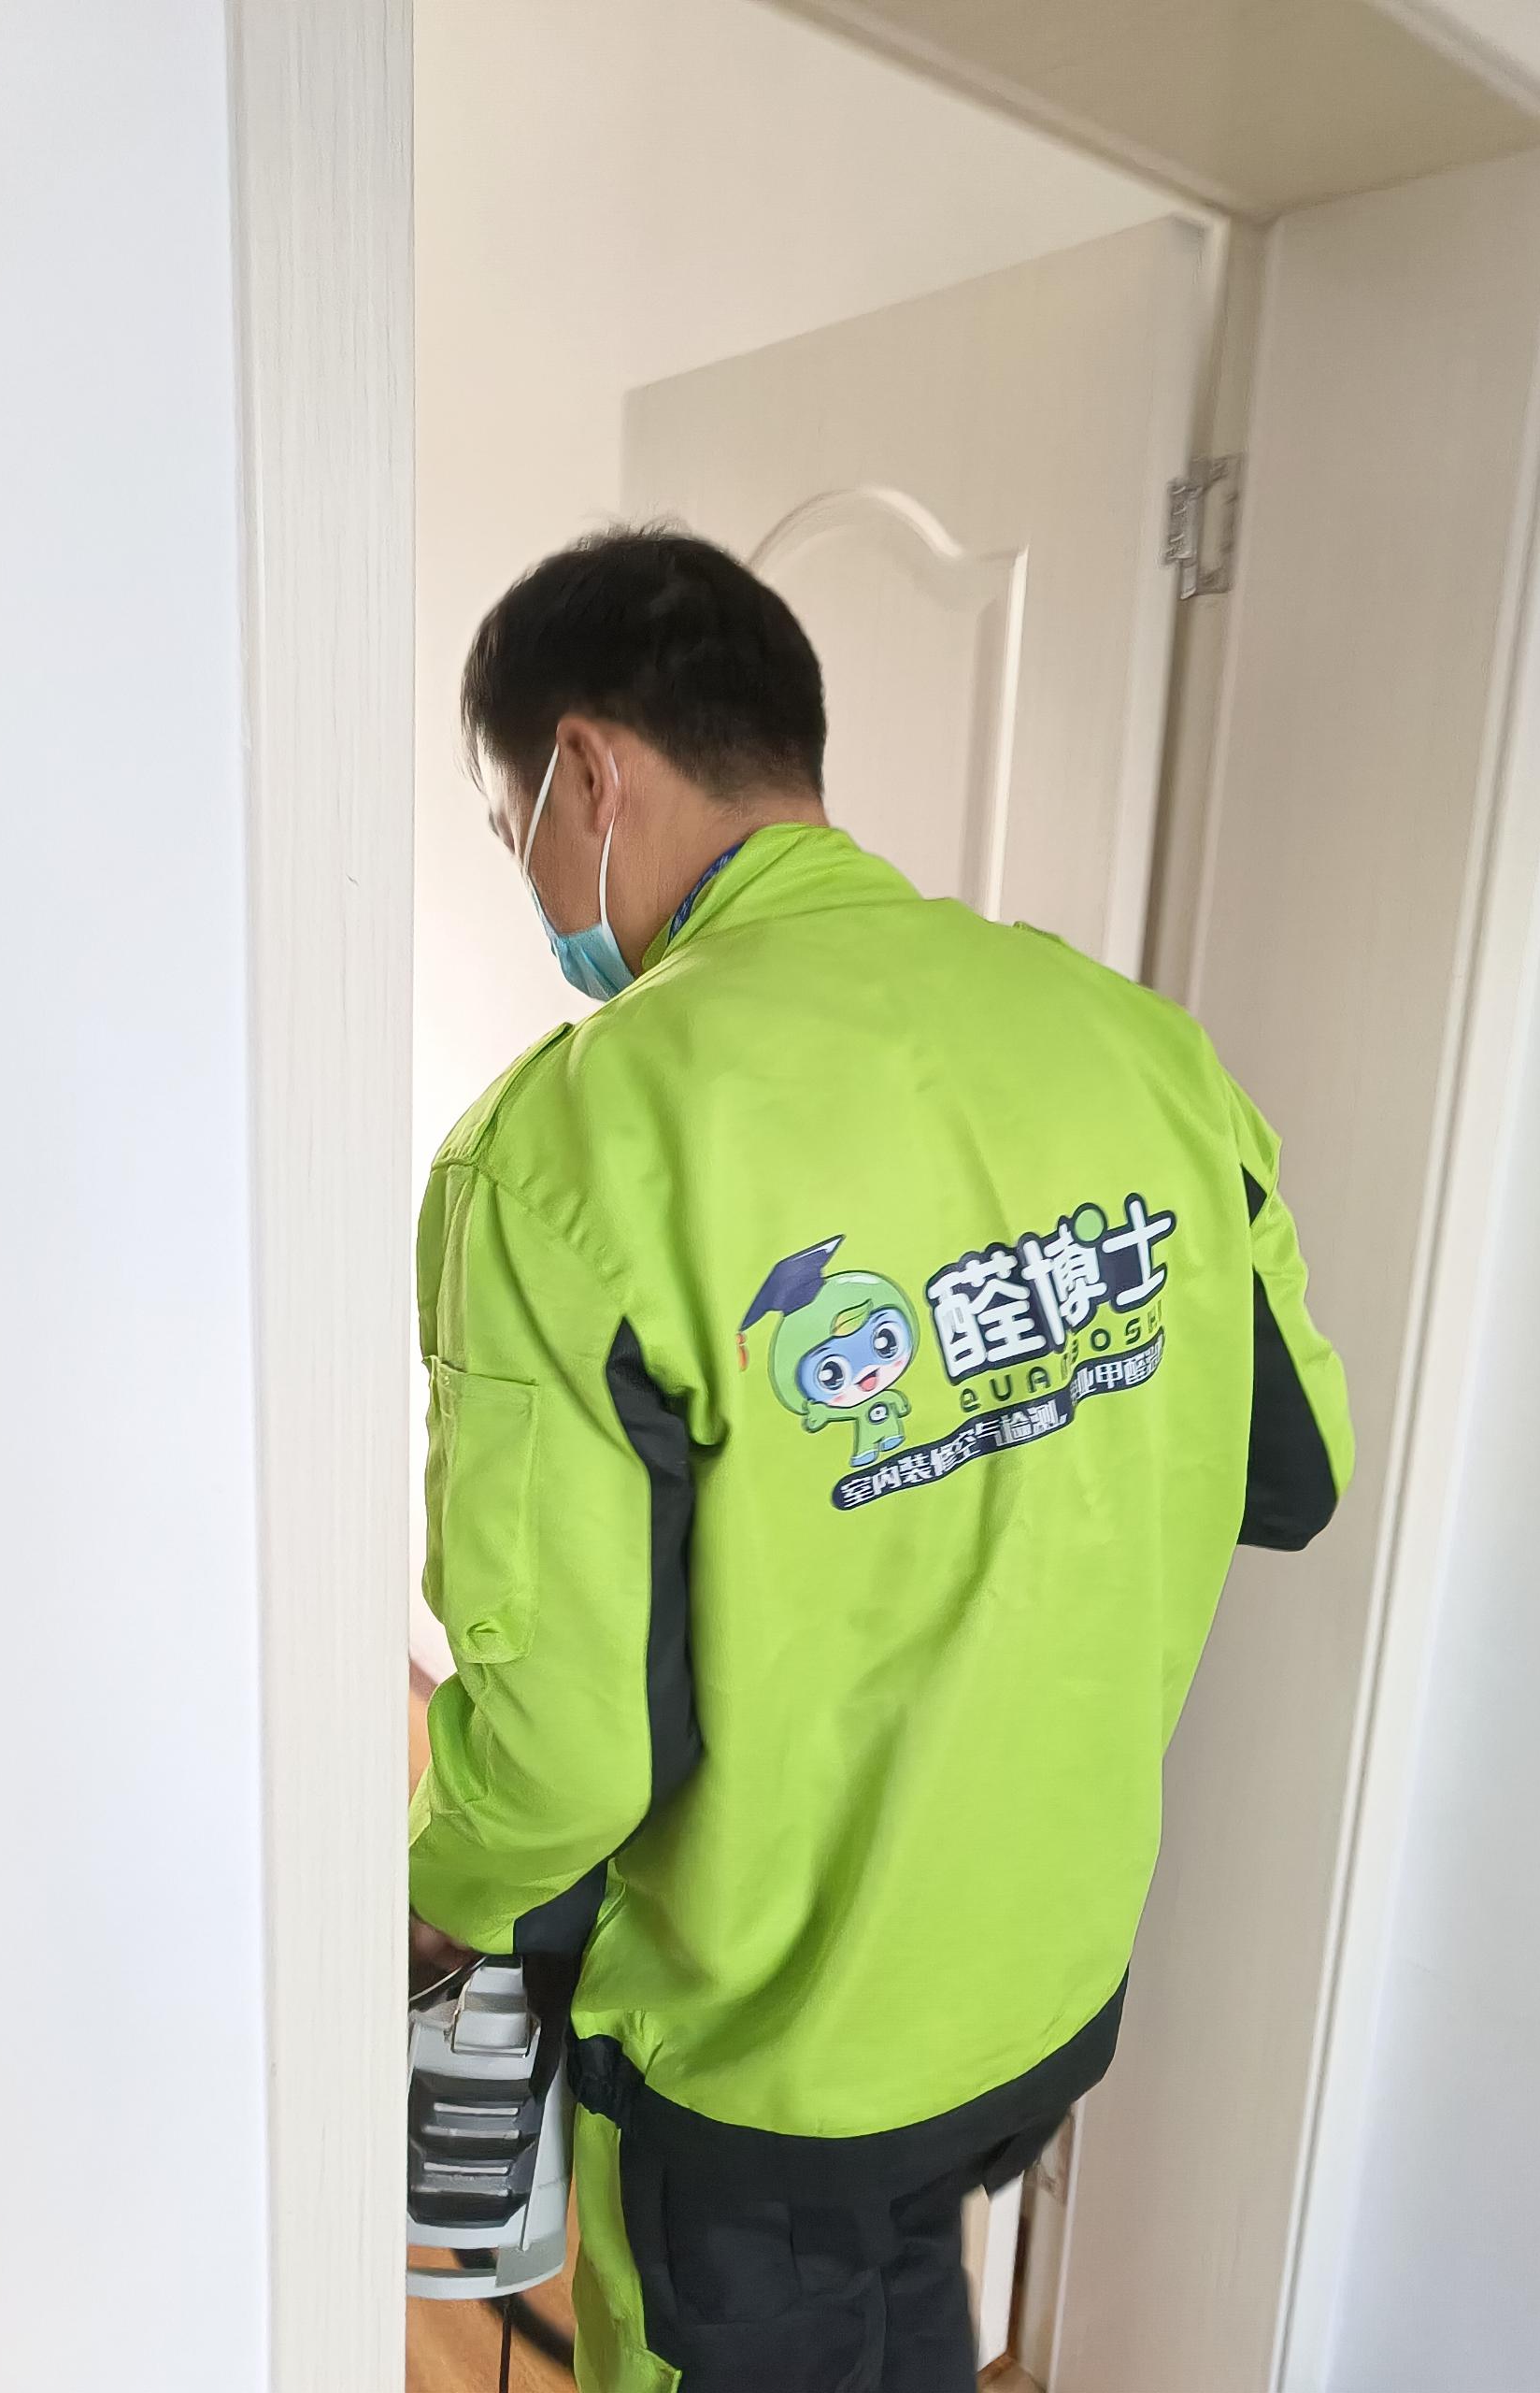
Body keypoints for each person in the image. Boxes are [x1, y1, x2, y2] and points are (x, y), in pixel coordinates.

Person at [407, 527, 1352, 2393]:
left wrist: (436, 1905)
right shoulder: (1132, 1043)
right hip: (1034, 1981)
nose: (538, 889)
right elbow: (1288, 1465)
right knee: (912, 2297)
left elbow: (568, 1749)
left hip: (768, 2051)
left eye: (515, 832)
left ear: (587, 773)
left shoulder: (568, 1144)